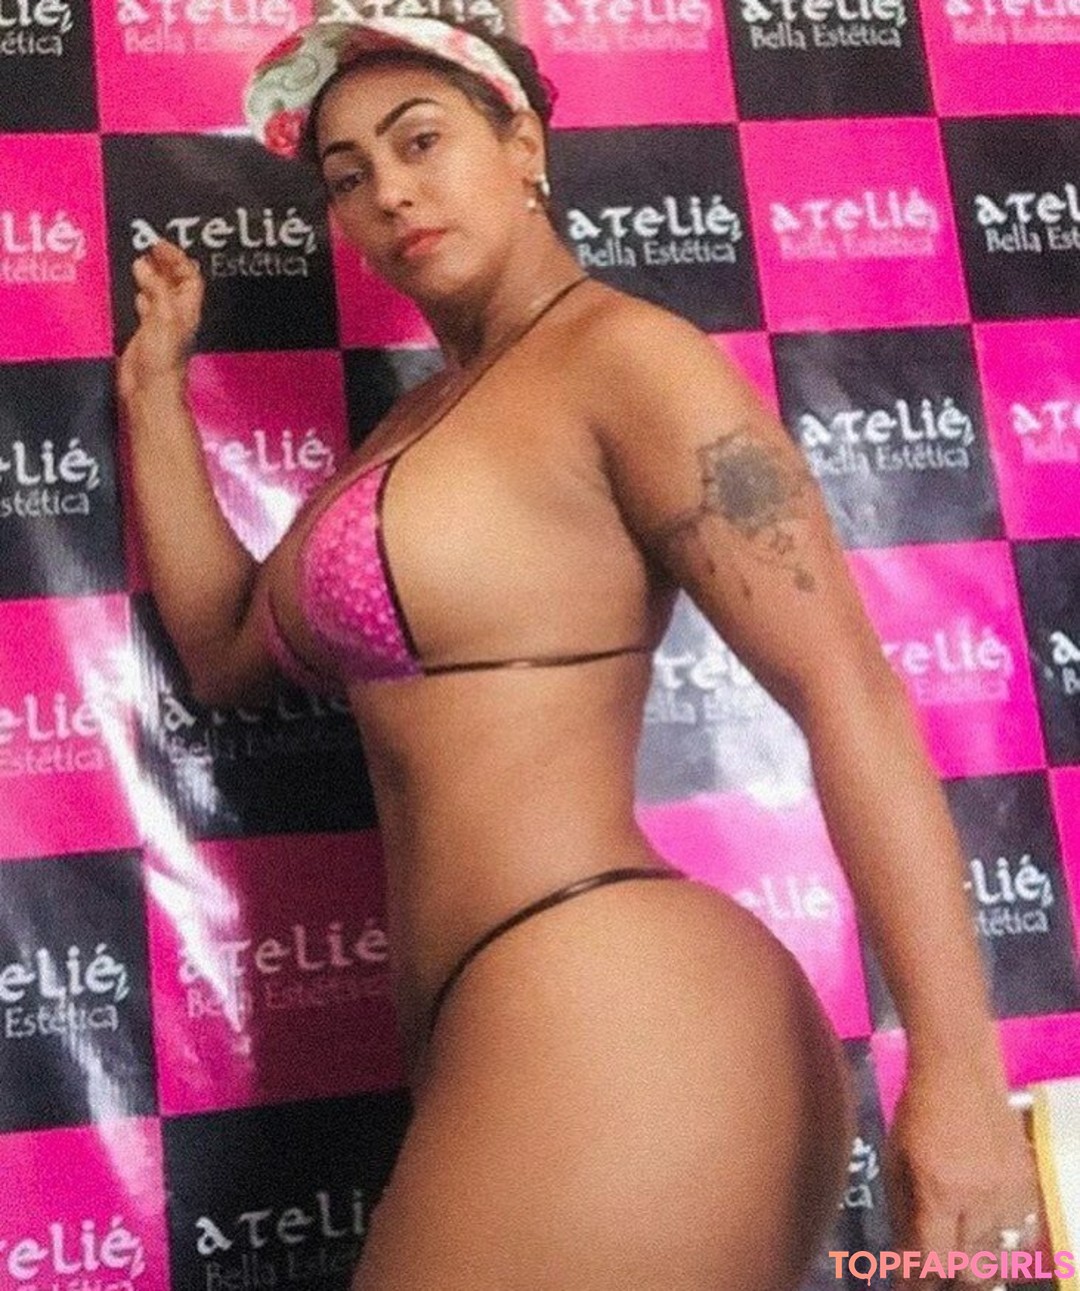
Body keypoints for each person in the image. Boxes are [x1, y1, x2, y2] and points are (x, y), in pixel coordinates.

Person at [117, 15, 1045, 1289]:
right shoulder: (414, 426)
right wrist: (154, 392)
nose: (390, 191)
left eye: (421, 141)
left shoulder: (625, 359)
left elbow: (848, 688)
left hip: (622, 1007)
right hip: (493, 1026)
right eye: (348, 175)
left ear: (523, 145)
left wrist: (959, 1075)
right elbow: (227, 652)